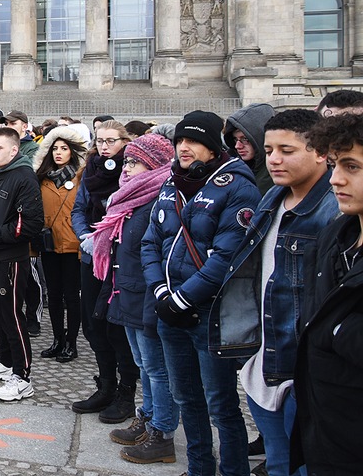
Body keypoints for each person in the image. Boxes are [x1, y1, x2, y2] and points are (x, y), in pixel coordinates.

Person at [211, 110, 336, 476]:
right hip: (263, 362)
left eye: (287, 150)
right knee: (279, 464)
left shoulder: (334, 210)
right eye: (269, 150)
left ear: (320, 153)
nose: (274, 159)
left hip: (303, 368)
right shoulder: (270, 200)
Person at [142, 110, 257, 476]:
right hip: (170, 311)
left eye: (192, 141)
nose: (183, 148)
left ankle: (233, 470)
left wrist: (181, 299)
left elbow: (226, 257)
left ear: (212, 147)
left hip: (210, 315)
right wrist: (162, 292)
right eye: (179, 141)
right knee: (186, 399)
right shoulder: (171, 183)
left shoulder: (238, 186)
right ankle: (199, 468)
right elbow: (150, 243)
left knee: (220, 404)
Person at [92, 133, 179, 464]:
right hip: (125, 288)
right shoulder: (129, 196)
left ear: (154, 164)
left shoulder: (159, 198)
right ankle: (149, 416)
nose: (126, 168)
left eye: (134, 161)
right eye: (126, 161)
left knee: (156, 367)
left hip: (145, 292)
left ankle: (163, 433)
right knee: (144, 364)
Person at [292, 113, 363, 475]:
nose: (335, 179)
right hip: (323, 422)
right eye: (335, 165)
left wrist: (334, 329)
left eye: (351, 167)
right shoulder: (336, 233)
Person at [71, 120, 139, 418]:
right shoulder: (91, 171)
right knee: (93, 324)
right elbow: (78, 210)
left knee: (117, 328)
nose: (104, 146)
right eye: (99, 140)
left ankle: (126, 393)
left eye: (111, 140)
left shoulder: (132, 173)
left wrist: (105, 239)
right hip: (91, 257)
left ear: (124, 141)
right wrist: (86, 236)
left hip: (119, 259)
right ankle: (106, 385)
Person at [0, 126, 45, 402]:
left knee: (13, 317)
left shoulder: (23, 176)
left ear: (14, 150)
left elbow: (31, 223)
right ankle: (4, 362)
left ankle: (23, 376)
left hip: (10, 259)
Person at [32, 125, 86, 364]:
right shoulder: (42, 178)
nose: (58, 153)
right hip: (49, 243)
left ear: (72, 152)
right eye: (55, 148)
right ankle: (57, 340)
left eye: (64, 148)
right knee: (53, 295)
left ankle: (72, 342)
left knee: (72, 296)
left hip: (73, 245)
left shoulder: (81, 177)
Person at [223, 103, 276, 197]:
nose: (237, 146)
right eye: (235, 139)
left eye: (245, 139)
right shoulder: (232, 166)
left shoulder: (276, 171)